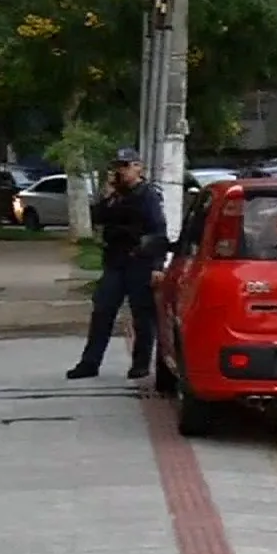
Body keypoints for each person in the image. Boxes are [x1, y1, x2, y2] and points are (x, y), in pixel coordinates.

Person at [67, 148, 167, 380]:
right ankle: (90, 363)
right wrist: (108, 195)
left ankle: (140, 364)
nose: (121, 171)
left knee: (142, 315)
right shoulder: (115, 196)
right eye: (118, 166)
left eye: (126, 166)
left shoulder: (147, 195)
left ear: (138, 168)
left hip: (139, 261)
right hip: (115, 261)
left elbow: (158, 231)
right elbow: (98, 218)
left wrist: (157, 266)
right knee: (102, 310)